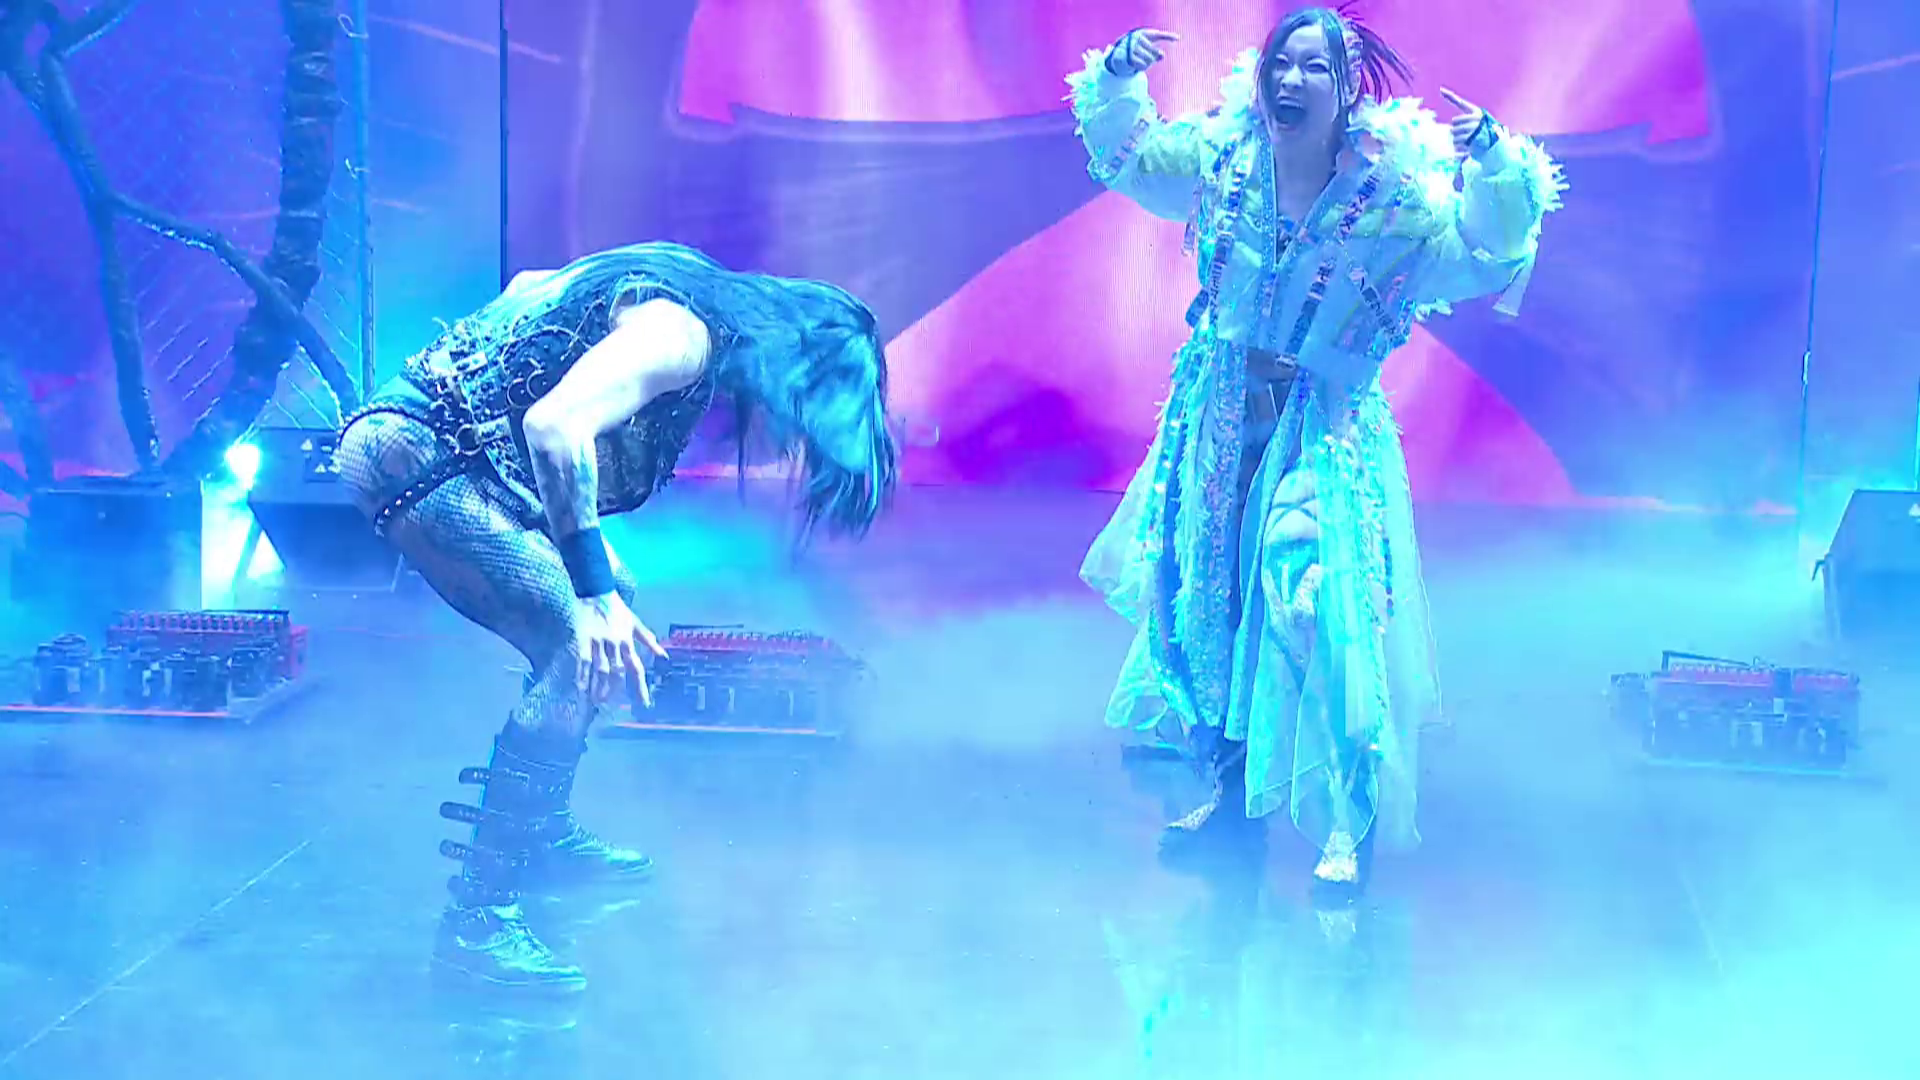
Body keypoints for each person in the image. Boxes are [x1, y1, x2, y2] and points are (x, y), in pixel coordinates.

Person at [1072, 7, 1565, 894]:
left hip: (1322, 427)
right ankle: (1227, 795)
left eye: (1313, 68)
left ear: (1347, 90)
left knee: (1318, 611)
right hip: (1221, 416)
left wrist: (1495, 163)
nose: (1290, 81)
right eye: (1281, 64)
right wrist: (1116, 76)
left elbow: (1488, 252)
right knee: (1211, 606)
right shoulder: (1224, 159)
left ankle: (1349, 815)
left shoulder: (1392, 194)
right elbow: (1130, 158)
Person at [335, 242, 898, 994]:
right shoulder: (683, 335)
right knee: (578, 641)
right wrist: (591, 599)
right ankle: (478, 920)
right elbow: (555, 426)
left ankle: (540, 831)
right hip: (418, 460)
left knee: (616, 601)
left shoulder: (682, 285)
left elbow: (532, 285)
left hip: (446, 453)